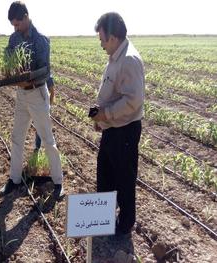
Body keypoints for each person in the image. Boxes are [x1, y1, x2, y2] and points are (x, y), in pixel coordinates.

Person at [0, 1, 63, 199]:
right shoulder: (13, 38)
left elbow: (45, 70)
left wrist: (29, 76)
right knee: (17, 137)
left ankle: (58, 181)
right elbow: (8, 59)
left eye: (17, 24)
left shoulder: (41, 40)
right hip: (21, 95)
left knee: (47, 140)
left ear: (26, 17)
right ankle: (14, 179)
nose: (15, 28)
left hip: (36, 93)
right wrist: (9, 71)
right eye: (13, 25)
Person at [90, 12, 145, 238]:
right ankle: (104, 219)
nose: (101, 43)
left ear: (112, 37)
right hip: (113, 129)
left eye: (102, 39)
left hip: (125, 132)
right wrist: (101, 120)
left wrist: (107, 114)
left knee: (124, 178)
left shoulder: (129, 60)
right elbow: (112, 93)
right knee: (105, 173)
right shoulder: (115, 57)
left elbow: (134, 100)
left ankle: (124, 227)